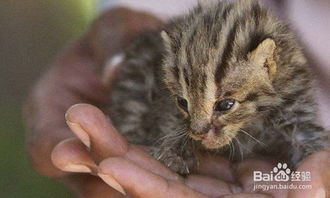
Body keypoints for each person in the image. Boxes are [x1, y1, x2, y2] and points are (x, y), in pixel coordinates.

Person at [24, 1, 330, 197]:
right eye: (183, 103)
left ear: (268, 65)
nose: (197, 129)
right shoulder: (175, 75)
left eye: (224, 105)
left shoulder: (285, 82)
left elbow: (308, 139)